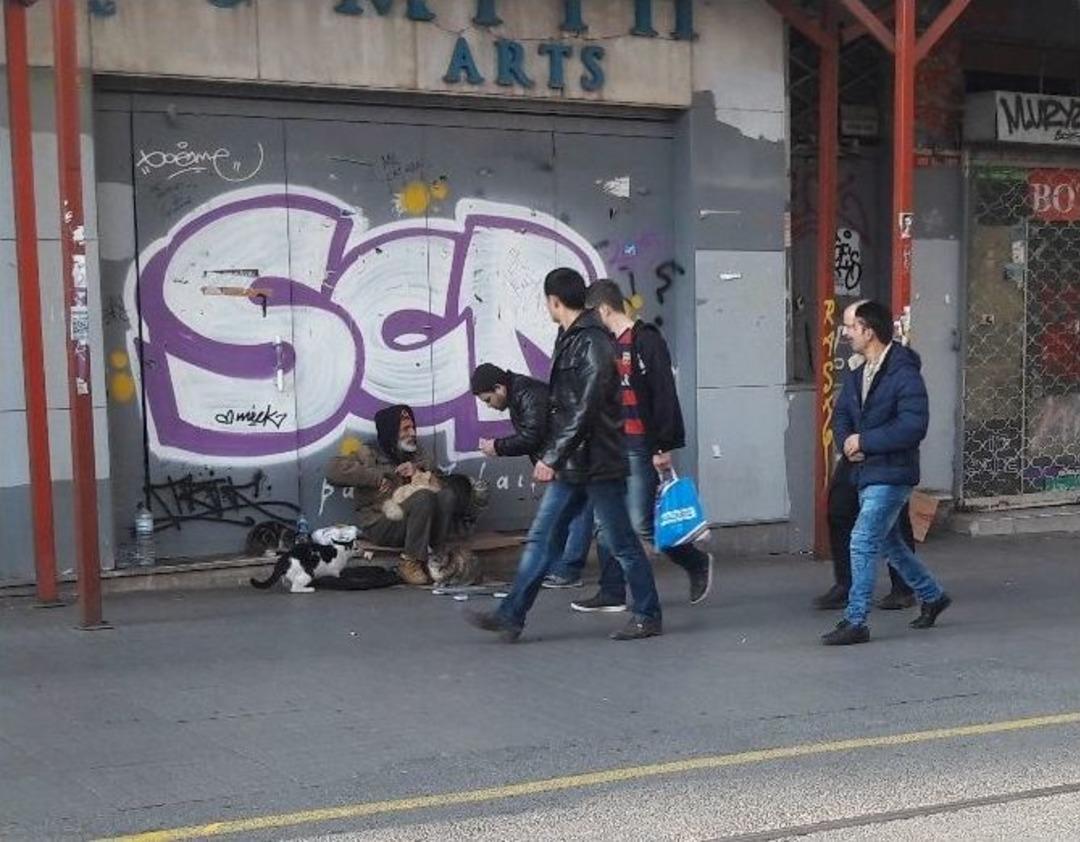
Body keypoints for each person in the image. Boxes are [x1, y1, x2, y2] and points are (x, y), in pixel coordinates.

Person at [465, 268, 663, 642]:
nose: (547, 307)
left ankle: (648, 613)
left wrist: (551, 456)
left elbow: (584, 408)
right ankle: (511, 614)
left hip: (599, 464)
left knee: (621, 541)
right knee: (544, 539)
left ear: (554, 301)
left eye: (547, 301)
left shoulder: (592, 343)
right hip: (577, 465)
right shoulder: (571, 339)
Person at [563, 279, 712, 612]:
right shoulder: (606, 346)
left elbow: (663, 395)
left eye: (592, 314)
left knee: (639, 524)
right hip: (612, 447)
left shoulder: (646, 342)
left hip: (640, 446)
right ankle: (612, 591)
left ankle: (694, 562)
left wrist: (664, 445)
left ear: (604, 309)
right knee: (606, 520)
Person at [821, 300, 952, 646]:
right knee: (891, 545)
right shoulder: (856, 371)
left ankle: (856, 620)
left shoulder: (904, 373)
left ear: (869, 331)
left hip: (892, 473)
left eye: (851, 327)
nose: (846, 333)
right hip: (864, 470)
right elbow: (842, 415)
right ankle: (933, 595)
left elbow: (913, 426)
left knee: (863, 540)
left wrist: (866, 441)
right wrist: (849, 442)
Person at [472, 363, 592, 591]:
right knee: (576, 513)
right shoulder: (521, 392)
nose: (489, 406)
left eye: (488, 399)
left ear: (499, 388)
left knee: (572, 514)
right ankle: (565, 569)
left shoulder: (526, 394)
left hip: (569, 459)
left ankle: (567, 570)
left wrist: (497, 446)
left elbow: (531, 436)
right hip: (566, 458)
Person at [325, 404, 456, 586]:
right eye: (405, 429)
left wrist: (419, 471)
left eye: (413, 428)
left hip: (418, 527)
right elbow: (332, 470)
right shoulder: (368, 452)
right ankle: (409, 563)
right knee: (423, 497)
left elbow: (443, 485)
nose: (413, 433)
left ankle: (436, 557)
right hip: (381, 523)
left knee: (446, 495)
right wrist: (375, 478)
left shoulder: (419, 454)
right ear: (391, 431)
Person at [813, 456, 915, 611]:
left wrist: (865, 442)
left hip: (890, 456)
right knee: (839, 510)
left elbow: (909, 432)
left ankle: (903, 587)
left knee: (894, 520)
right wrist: (847, 443)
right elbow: (840, 430)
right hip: (854, 455)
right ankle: (846, 585)